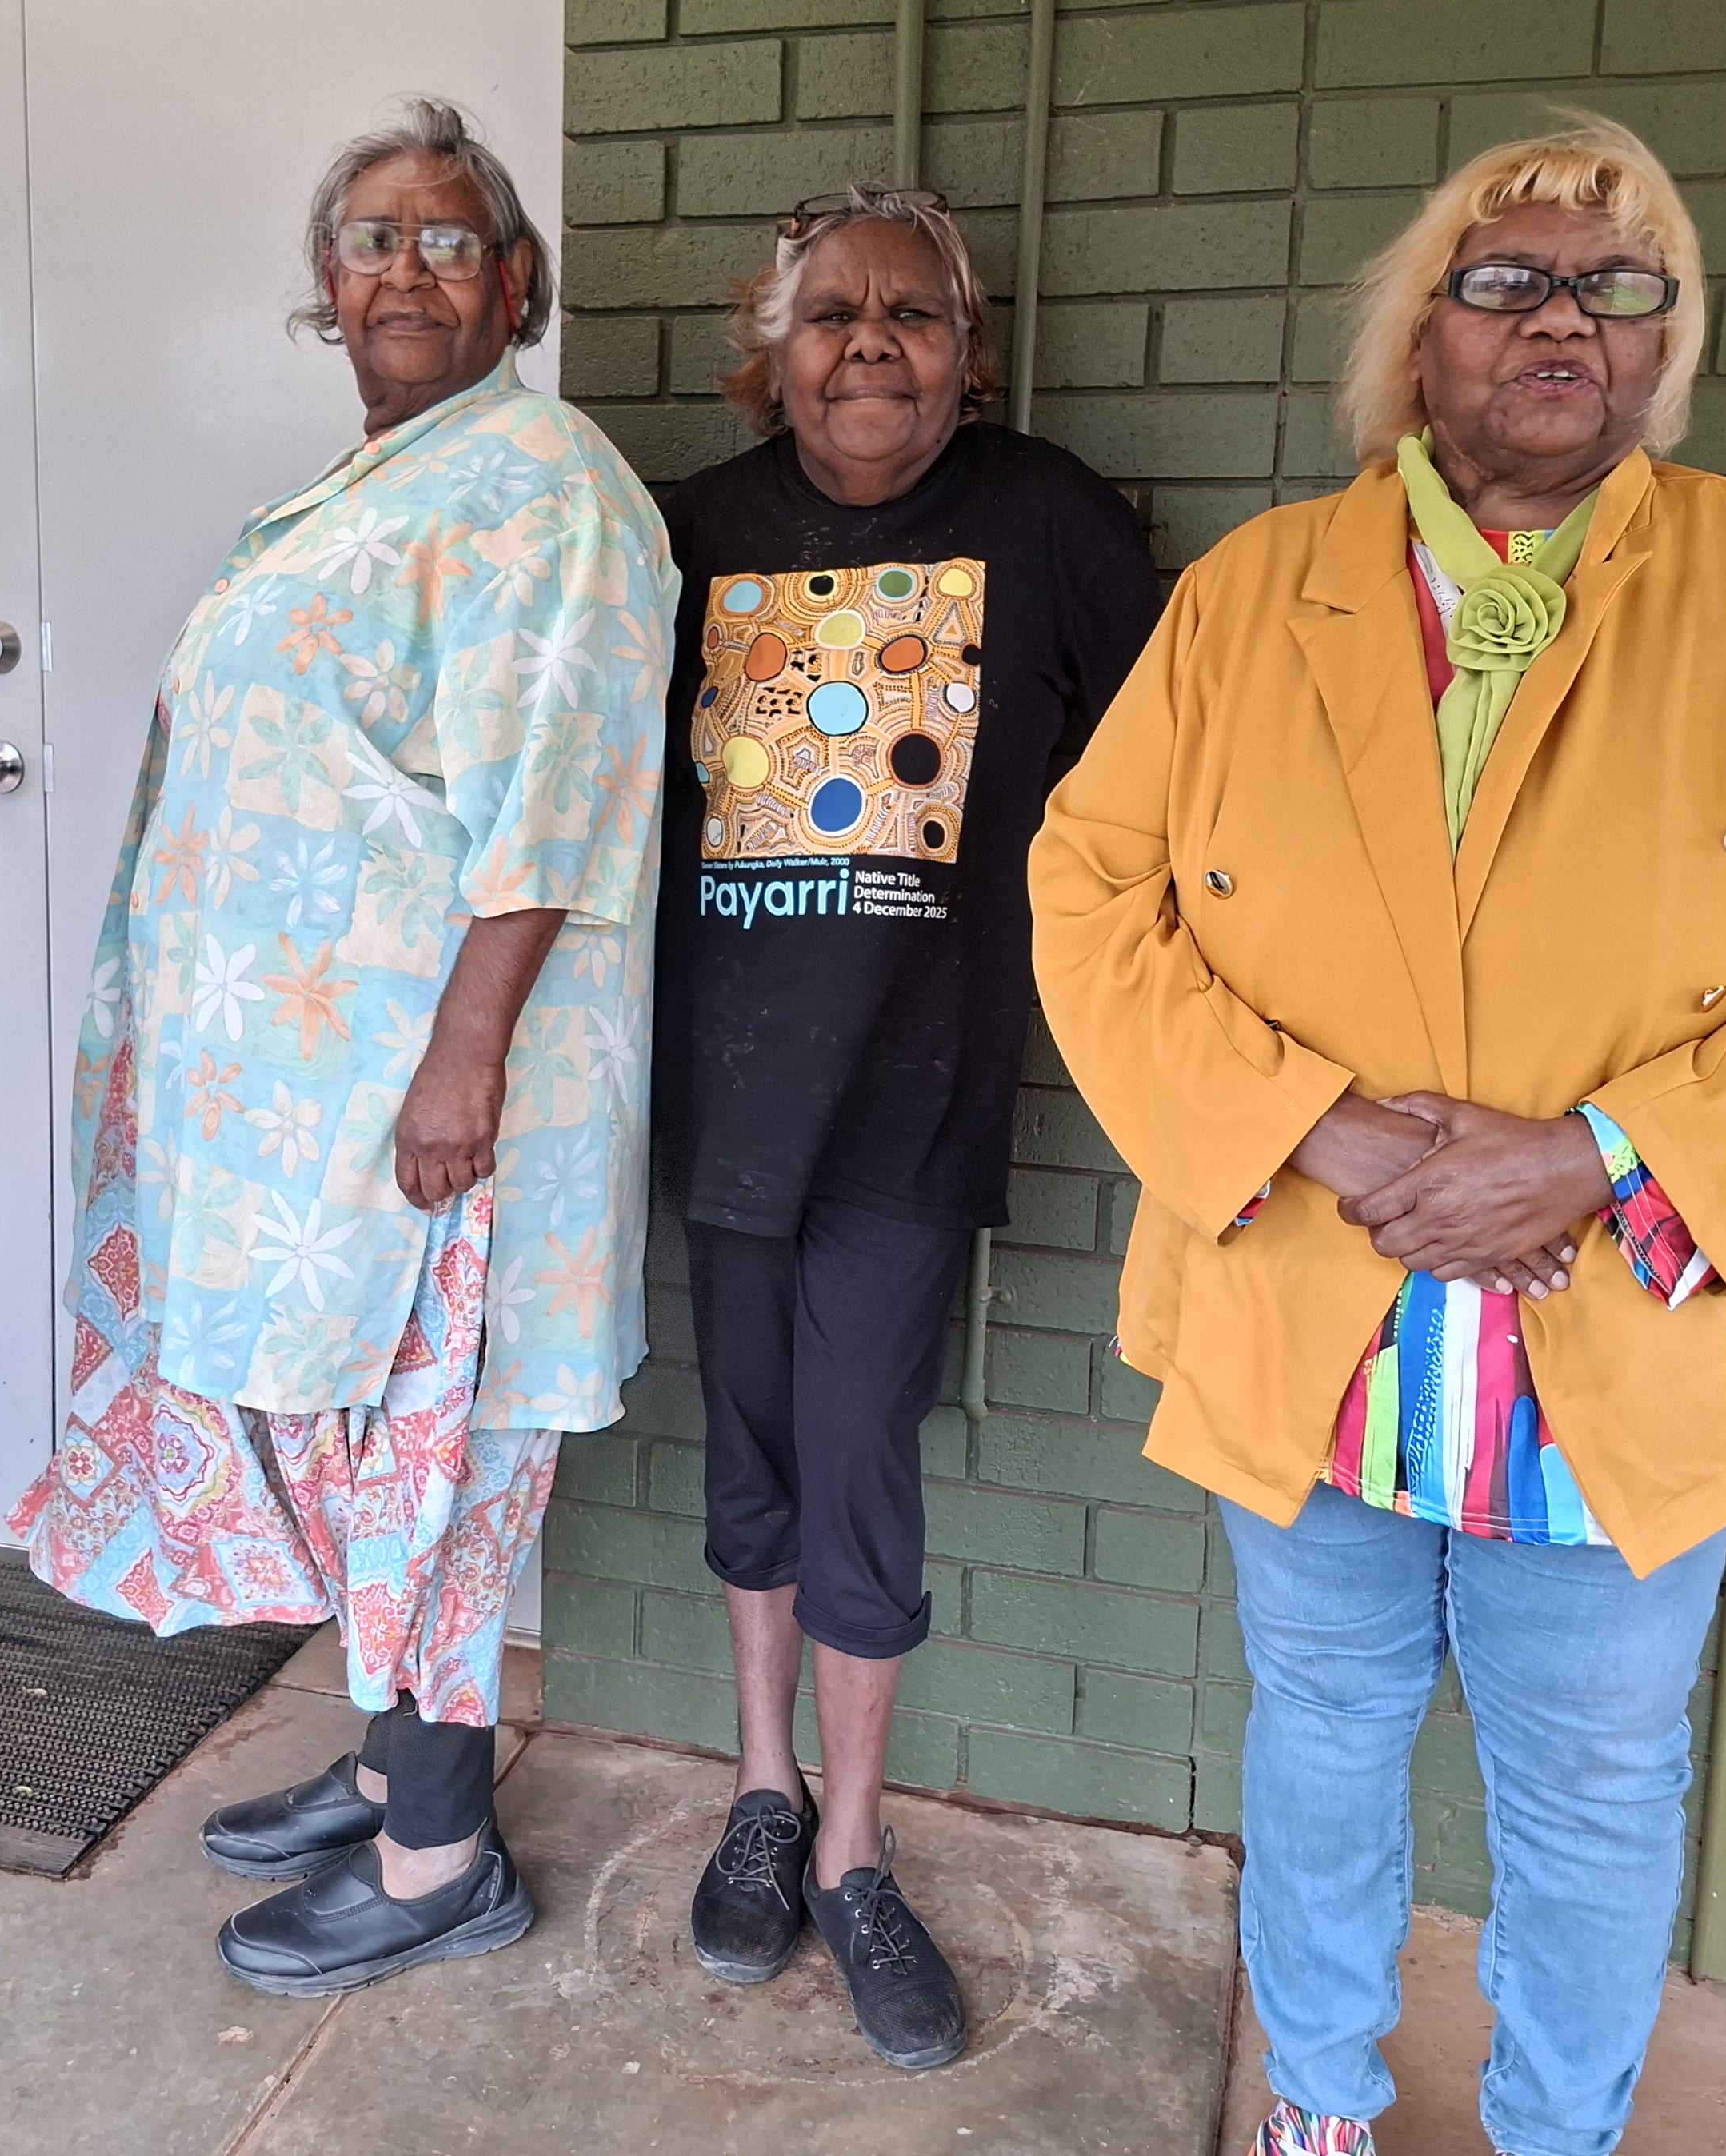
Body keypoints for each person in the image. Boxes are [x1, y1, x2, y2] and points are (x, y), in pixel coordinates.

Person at [1026, 118, 1726, 2156]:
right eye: (1505, 283)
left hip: (1629, 1300)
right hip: (1316, 1301)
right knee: (1319, 1742)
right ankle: (1316, 2114)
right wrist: (1321, 1135)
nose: (1562, 319)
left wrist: (1599, 1151)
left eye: (1616, 286)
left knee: (1590, 1785)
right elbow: (1086, 892)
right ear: (1418, 338)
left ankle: (1554, 2135)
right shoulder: (1247, 593)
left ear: (1664, 339)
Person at [9, 99, 674, 1995]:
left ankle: (437, 1859)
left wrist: (461, 1062)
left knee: (428, 1451)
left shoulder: (541, 483)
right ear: (326, 287)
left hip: (428, 1101)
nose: (406, 267)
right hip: (305, 1106)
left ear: (515, 283)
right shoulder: (367, 488)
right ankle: (391, 1754)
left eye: (449, 239)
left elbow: (556, 808)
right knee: (352, 1432)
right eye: (372, 240)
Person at [649, 186, 1160, 2070]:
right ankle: (762, 1796)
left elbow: (1158, 788)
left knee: (860, 1452)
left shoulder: (1047, 522)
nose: (870, 342)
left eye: (913, 316)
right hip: (722, 1093)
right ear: (767, 350)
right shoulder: (688, 534)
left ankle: (853, 1854)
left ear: (970, 350)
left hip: (914, 1096)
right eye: (831, 314)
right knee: (752, 1460)